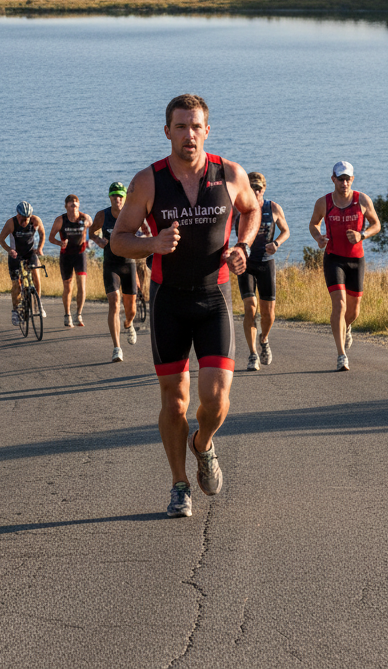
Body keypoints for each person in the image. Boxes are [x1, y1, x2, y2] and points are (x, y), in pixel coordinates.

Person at [111, 94, 259, 518]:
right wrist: (152, 244)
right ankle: (179, 486)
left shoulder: (230, 173)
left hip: (214, 297)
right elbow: (119, 239)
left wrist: (244, 246)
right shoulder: (148, 181)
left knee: (215, 401)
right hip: (168, 301)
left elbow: (251, 209)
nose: (189, 134)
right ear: (167, 132)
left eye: (196, 126)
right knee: (174, 401)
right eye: (180, 126)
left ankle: (203, 444)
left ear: (206, 131)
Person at [309, 161, 381, 371]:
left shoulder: (362, 200)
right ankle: (341, 355)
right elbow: (314, 224)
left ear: (353, 179)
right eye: (340, 179)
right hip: (333, 258)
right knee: (339, 305)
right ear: (333, 179)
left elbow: (376, 224)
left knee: (353, 311)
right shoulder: (324, 202)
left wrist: (362, 235)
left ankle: (346, 327)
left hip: (356, 259)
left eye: (348, 178)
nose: (344, 183)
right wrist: (318, 238)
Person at [235, 172, 290, 371]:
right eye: (252, 187)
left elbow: (286, 231)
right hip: (246, 263)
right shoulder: (237, 209)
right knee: (250, 307)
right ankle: (252, 354)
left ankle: (264, 338)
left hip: (266, 263)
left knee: (268, 314)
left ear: (264, 189)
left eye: (259, 188)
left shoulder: (272, 208)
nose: (256, 191)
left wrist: (276, 243)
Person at [89, 182, 138, 363]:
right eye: (114, 196)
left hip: (128, 264)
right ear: (109, 197)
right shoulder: (103, 215)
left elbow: (143, 233)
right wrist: (98, 240)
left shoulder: (132, 214)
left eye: (120, 196)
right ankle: (117, 348)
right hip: (111, 264)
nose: (117, 199)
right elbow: (91, 231)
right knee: (114, 303)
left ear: (125, 197)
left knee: (130, 309)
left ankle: (129, 324)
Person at [0, 201, 46, 327]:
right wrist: (10, 250)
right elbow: (1, 239)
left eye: (26, 218)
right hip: (15, 255)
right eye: (21, 218)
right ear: (17, 214)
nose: (24, 221)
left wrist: (40, 248)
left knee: (36, 276)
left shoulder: (35, 221)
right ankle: (15, 310)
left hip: (30, 253)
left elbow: (42, 234)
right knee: (16, 284)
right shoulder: (11, 223)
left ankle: (38, 304)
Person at [49, 195, 92, 328]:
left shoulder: (84, 218)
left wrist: (88, 224)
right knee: (68, 287)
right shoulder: (60, 220)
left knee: (82, 286)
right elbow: (51, 238)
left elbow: (91, 222)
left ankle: (78, 314)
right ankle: (67, 315)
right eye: (71, 203)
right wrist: (59, 243)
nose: (73, 205)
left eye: (76, 203)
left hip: (80, 255)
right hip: (66, 256)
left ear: (79, 205)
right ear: (66, 206)